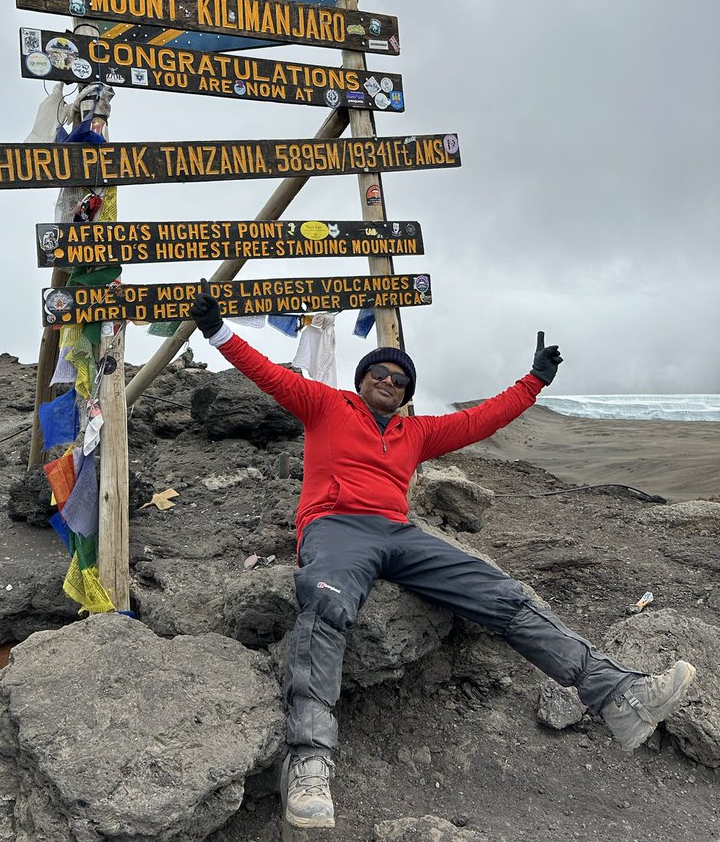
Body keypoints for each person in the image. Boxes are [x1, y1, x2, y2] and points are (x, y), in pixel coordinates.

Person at [188, 284, 697, 830]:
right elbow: (268, 373)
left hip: (401, 534)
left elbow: (483, 420)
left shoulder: (419, 433)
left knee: (503, 596)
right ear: (361, 380)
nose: (387, 380)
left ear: (407, 392)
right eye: (378, 373)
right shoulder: (325, 404)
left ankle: (619, 696)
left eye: (399, 379)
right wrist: (217, 330)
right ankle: (309, 761)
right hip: (335, 528)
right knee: (325, 607)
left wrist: (534, 382)